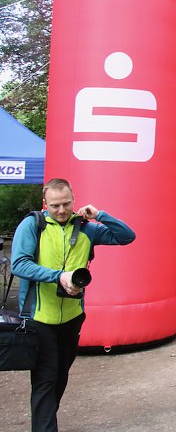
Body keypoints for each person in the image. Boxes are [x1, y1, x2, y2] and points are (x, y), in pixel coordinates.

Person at [11, 178, 135, 431]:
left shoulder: (87, 228)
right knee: (45, 379)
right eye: (55, 205)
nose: (61, 210)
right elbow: (19, 264)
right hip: (39, 317)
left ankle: (44, 421)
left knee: (59, 377)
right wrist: (59, 276)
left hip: (72, 316)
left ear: (74, 199)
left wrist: (100, 214)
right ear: (45, 203)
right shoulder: (32, 225)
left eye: (66, 203)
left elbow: (127, 236)